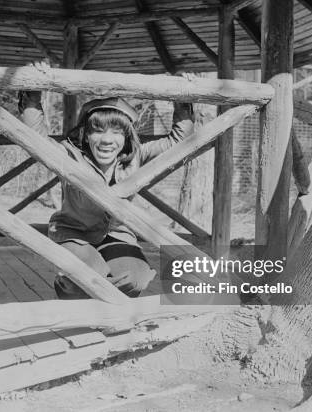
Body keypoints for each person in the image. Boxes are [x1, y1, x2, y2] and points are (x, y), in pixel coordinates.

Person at [18, 88, 194, 299]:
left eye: (117, 132)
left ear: (127, 136)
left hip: (118, 237)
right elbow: (34, 137)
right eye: (98, 130)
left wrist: (183, 97)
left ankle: (100, 291)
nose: (107, 140)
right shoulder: (69, 155)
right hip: (74, 234)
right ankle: (68, 286)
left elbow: (179, 142)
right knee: (87, 277)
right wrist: (33, 92)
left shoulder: (137, 156)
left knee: (133, 280)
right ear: (85, 133)